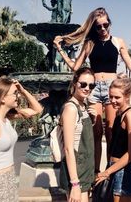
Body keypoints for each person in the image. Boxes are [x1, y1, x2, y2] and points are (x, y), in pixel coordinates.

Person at [53, 7, 131, 173]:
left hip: (111, 88)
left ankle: (109, 171)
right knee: (96, 133)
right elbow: (75, 66)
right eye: (99, 26)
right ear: (94, 27)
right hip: (94, 89)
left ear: (110, 23)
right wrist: (60, 49)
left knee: (111, 132)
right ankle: (96, 172)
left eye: (106, 24)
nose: (103, 29)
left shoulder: (118, 42)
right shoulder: (89, 44)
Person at [0, 78, 43, 202]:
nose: (17, 96)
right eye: (14, 93)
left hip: (9, 178)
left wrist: (22, 90)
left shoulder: (7, 117)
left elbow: (37, 110)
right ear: (2, 98)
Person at [95, 74, 131, 202]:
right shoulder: (119, 113)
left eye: (117, 97)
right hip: (113, 167)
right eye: (111, 96)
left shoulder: (130, 115)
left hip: (123, 172)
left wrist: (108, 172)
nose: (112, 100)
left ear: (127, 97)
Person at [59, 67, 96, 202]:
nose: (87, 88)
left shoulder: (82, 106)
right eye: (83, 84)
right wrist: (75, 183)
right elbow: (68, 149)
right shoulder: (71, 108)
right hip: (76, 174)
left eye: (91, 85)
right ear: (75, 83)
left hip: (84, 171)